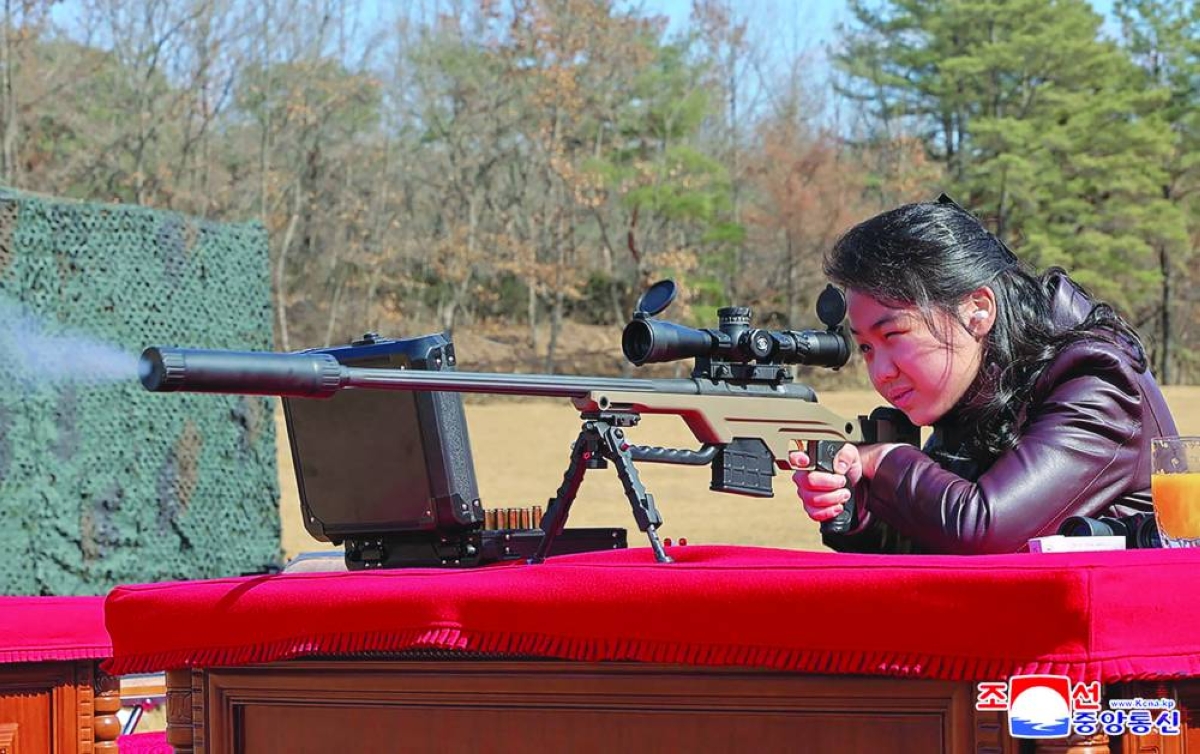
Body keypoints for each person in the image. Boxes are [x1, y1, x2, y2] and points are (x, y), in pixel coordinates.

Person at [789, 196, 1178, 555]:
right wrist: (858, 504)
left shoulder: (1095, 380)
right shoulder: (980, 384)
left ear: (978, 309)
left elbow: (985, 529)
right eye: (867, 348)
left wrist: (887, 461)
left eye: (893, 335)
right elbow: (930, 546)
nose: (881, 372)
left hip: (1123, 625)